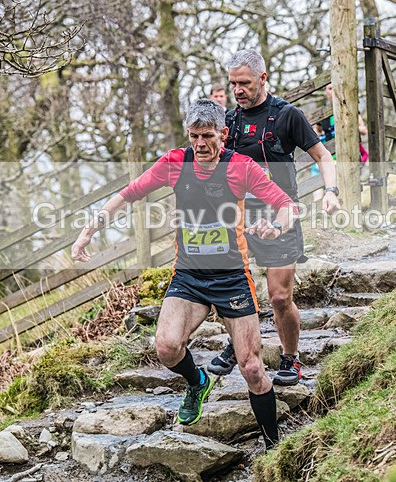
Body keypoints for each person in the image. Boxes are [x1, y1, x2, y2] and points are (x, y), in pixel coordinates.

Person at [71, 99, 297, 449]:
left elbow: (287, 206)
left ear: (223, 134)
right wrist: (88, 231)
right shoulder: (176, 163)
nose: (200, 144)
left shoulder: (242, 167)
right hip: (189, 277)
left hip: (231, 278)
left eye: (207, 136)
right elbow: (128, 196)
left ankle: (273, 446)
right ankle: (197, 382)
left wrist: (276, 227)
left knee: (251, 368)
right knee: (166, 347)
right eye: (194, 136)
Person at [207, 49, 340, 385]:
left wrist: (331, 191)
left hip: (281, 213)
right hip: (238, 215)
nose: (238, 90)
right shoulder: (228, 122)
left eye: (245, 83)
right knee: (228, 289)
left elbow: (323, 156)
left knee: (279, 297)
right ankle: (237, 342)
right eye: (233, 83)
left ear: (263, 79)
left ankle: (291, 357)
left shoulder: (287, 115)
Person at [316, 83, 369, 163]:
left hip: (347, 153)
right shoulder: (322, 113)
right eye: (330, 89)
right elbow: (316, 131)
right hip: (329, 156)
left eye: (335, 88)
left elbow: (364, 130)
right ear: (325, 91)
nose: (332, 92)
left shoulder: (349, 108)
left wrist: (350, 128)